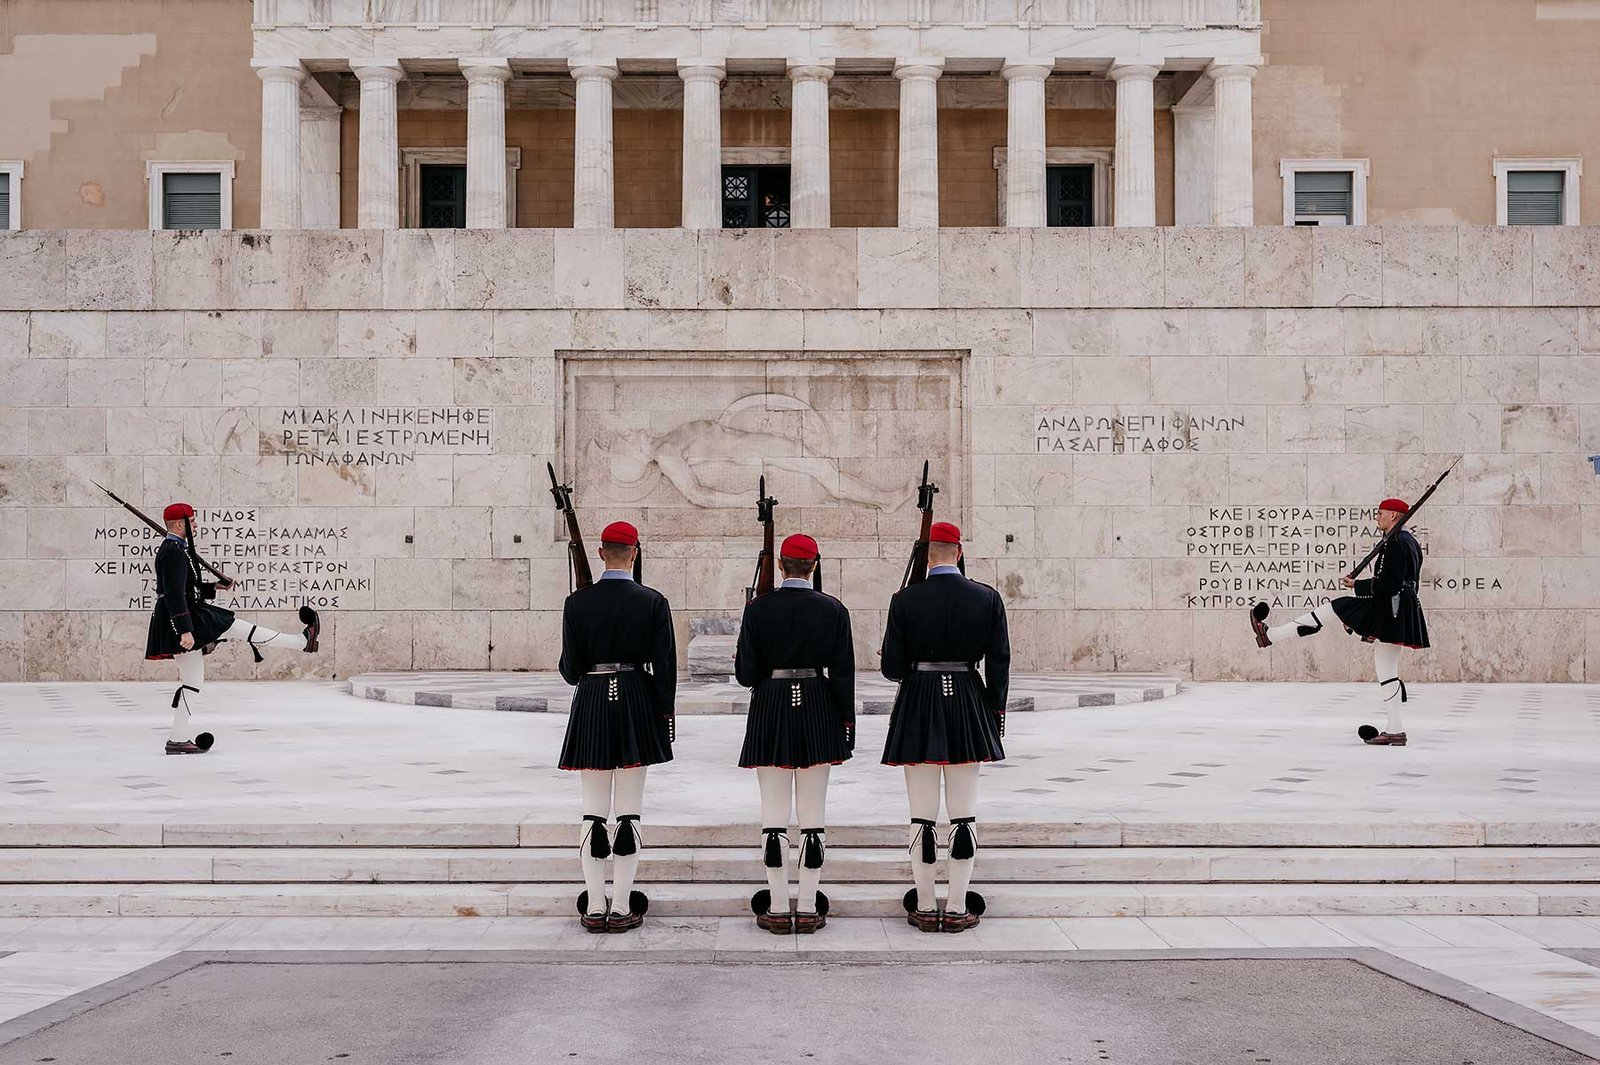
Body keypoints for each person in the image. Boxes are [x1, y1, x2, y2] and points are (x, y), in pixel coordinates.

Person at [880, 522, 1009, 933]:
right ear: (960, 552)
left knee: (922, 816)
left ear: (926, 556)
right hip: (969, 701)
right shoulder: (987, 598)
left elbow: (892, 669)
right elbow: (999, 663)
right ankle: (955, 906)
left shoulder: (905, 599)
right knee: (963, 814)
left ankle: (922, 903)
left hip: (919, 701)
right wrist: (992, 713)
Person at [557, 520, 676, 933]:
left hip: (591, 701)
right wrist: (664, 716)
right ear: (635, 553)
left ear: (602, 552)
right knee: (628, 813)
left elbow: (570, 672)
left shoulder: (578, 603)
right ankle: (623, 905)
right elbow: (665, 669)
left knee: (593, 813)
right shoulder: (653, 601)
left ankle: (593, 904)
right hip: (637, 702)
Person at [735, 533, 854, 935]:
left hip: (770, 705)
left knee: (773, 817)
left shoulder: (758, 608)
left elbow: (745, 675)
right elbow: (843, 675)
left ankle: (777, 904)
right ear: (814, 565)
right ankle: (806, 906)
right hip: (819, 706)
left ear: (782, 566)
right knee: (813, 817)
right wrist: (845, 725)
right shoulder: (833, 609)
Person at [1250, 497, 1429, 746]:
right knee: (1387, 670)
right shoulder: (1408, 542)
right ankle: (1395, 730)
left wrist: (1357, 585)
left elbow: (1388, 585)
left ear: (1394, 516)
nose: (1376, 517)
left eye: (1380, 513)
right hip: (1397, 608)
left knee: (1336, 607)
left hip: (1392, 608)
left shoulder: (1398, 543)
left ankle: (1270, 636)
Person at [145, 503, 320, 755]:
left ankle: (177, 739)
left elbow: (186, 588)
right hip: (184, 618)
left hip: (183, 616)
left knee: (193, 681)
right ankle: (302, 642)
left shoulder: (175, 549)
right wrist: (185, 630)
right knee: (237, 627)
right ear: (180, 525)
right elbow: (173, 595)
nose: (196, 526)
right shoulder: (172, 552)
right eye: (192, 521)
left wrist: (214, 587)